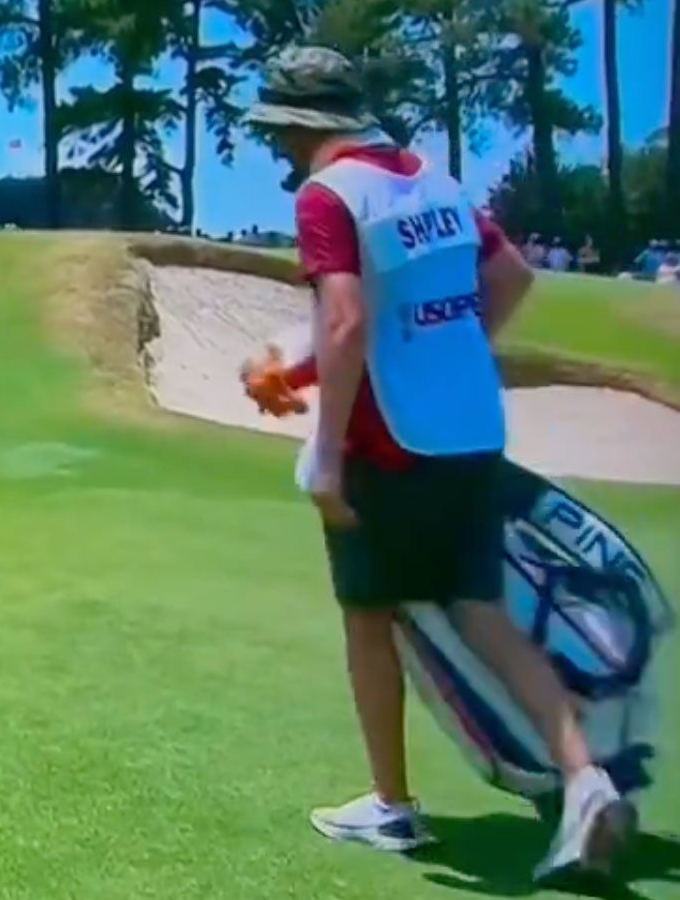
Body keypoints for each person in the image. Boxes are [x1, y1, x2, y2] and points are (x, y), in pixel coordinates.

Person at [241, 46, 633, 883]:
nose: (274, 146)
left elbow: (343, 324)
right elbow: (511, 278)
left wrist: (328, 457)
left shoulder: (326, 196)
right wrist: (446, 356)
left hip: (389, 447)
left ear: (300, 127)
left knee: (367, 616)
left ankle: (391, 807)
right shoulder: (437, 182)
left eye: (277, 129)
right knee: (481, 610)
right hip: (469, 432)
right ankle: (583, 778)